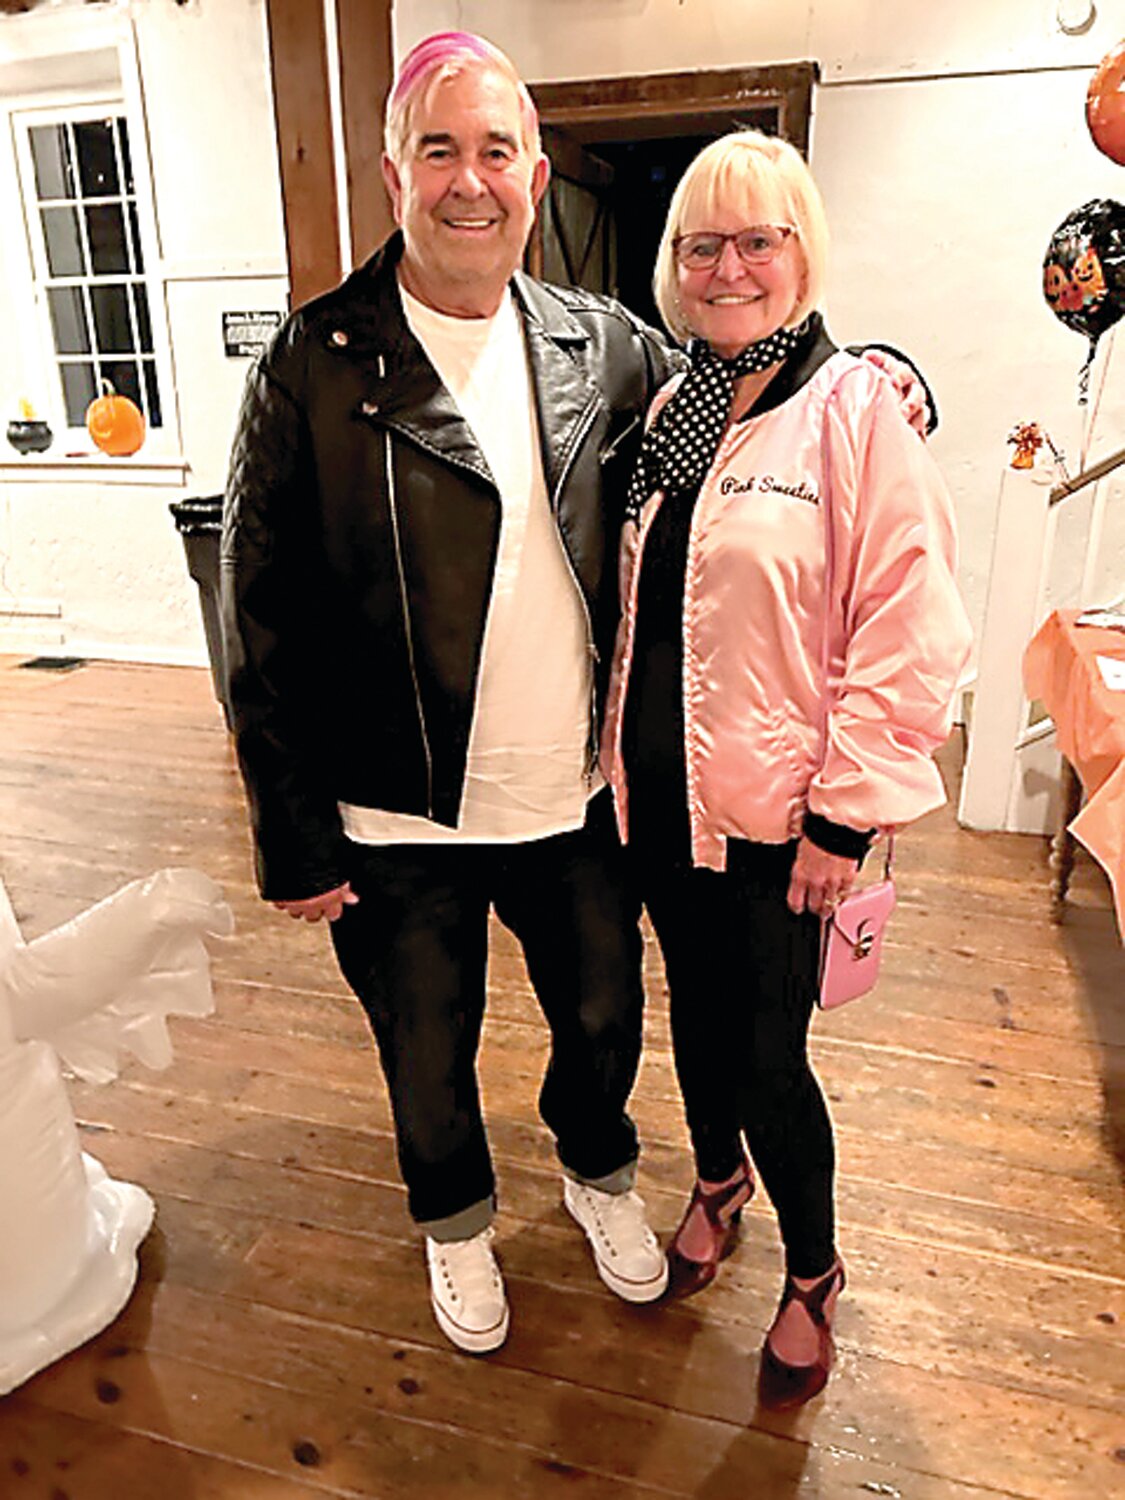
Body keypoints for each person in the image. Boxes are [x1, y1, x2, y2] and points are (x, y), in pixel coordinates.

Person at [223, 30, 932, 1360]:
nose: (470, 180)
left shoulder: (602, 346)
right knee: (425, 1056)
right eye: (441, 149)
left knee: (606, 1021)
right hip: (397, 810)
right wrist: (292, 827)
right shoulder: (315, 364)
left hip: (580, 798)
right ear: (394, 173)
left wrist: (874, 373)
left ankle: (602, 1178)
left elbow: (758, 387)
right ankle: (455, 1230)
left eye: (497, 151)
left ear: (537, 178)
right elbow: (255, 618)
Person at [600, 130, 972, 1409]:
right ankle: (717, 1180)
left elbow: (909, 625)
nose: (728, 266)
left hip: (780, 823)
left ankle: (813, 1270)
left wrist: (844, 819)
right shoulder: (669, 409)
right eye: (702, 242)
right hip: (657, 800)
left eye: (757, 239)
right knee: (696, 1030)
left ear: (801, 251)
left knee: (768, 1056)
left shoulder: (856, 408)